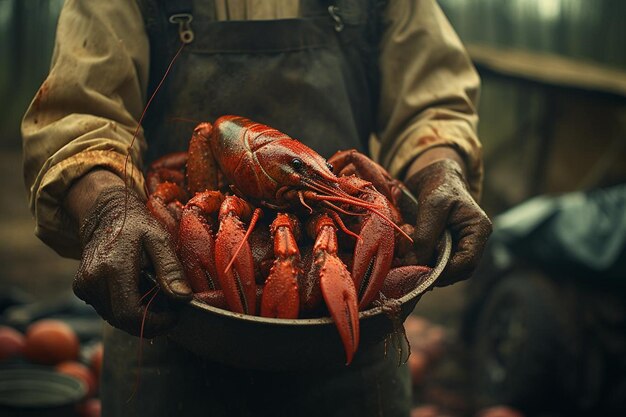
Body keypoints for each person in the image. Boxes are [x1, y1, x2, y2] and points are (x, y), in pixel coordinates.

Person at [22, 0, 491, 416]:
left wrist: (439, 168)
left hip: (356, 361)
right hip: (166, 327)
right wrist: (106, 205)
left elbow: (434, 101)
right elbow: (77, 115)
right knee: (222, 218)